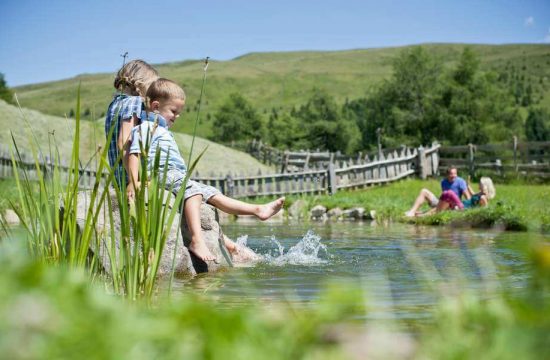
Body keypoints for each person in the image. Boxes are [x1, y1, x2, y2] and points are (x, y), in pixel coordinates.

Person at [127, 78, 285, 262]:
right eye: (174, 111)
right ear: (155, 106)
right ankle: (196, 240)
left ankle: (258, 210)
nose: (177, 117)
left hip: (177, 175)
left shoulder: (162, 130)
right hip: (163, 173)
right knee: (194, 193)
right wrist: (133, 180)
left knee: (212, 193)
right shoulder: (145, 128)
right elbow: (134, 153)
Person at [105, 59, 159, 186]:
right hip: (130, 178)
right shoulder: (134, 102)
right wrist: (135, 179)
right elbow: (124, 141)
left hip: (118, 177)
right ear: (140, 83)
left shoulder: (114, 104)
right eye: (150, 87)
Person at [405, 165, 470, 217]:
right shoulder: (443, 182)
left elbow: (468, 197)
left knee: (439, 208)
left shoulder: (461, 181)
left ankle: (423, 215)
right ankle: (412, 212)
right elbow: (444, 196)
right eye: (451, 174)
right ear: (447, 175)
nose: (454, 176)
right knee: (424, 191)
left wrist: (467, 209)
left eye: (455, 174)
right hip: (442, 203)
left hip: (453, 206)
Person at [419, 176, 496, 215]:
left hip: (463, 208)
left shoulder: (483, 197)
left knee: (448, 199)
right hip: (462, 205)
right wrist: (468, 185)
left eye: (480, 183)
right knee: (445, 205)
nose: (479, 184)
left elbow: (485, 210)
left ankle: (424, 215)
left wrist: (466, 212)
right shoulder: (480, 194)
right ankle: (424, 214)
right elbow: (473, 194)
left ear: (485, 185)